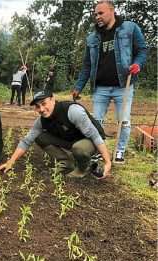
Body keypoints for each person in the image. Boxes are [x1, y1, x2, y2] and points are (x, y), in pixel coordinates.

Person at [71, 0, 147, 163]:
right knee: (96, 121)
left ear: (112, 11)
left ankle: (119, 152)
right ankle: (99, 150)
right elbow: (87, 65)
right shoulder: (92, 38)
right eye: (95, 14)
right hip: (100, 88)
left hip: (123, 85)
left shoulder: (129, 28)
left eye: (100, 13)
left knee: (124, 121)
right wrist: (78, 86)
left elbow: (142, 50)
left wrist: (137, 64)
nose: (97, 16)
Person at [0, 89, 111, 179]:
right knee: (40, 137)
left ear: (53, 99)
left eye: (43, 103)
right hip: (71, 141)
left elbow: (95, 136)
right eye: (37, 106)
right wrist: (10, 162)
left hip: (90, 141)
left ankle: (82, 169)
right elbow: (26, 141)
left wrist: (107, 162)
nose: (41, 109)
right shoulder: (41, 121)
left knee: (79, 148)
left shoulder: (72, 111)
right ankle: (66, 162)